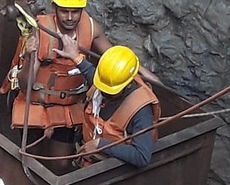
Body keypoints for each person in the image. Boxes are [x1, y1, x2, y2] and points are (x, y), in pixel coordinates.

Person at [0, 0, 160, 173]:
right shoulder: (41, 32)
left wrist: (137, 69)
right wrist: (32, 56)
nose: (69, 17)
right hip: (37, 103)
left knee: (60, 163)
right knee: (33, 157)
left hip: (68, 107)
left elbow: (111, 57)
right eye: (64, 11)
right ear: (55, 8)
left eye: (75, 11)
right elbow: (25, 84)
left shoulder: (91, 29)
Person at [54, 39, 161, 168]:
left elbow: (142, 156)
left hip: (109, 169)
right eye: (102, 87)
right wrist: (76, 57)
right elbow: (92, 74)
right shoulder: (105, 80)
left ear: (127, 85)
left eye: (110, 91)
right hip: (86, 159)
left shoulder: (141, 111)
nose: (104, 92)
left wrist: (101, 145)